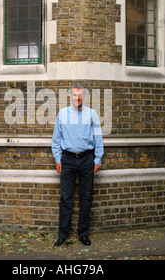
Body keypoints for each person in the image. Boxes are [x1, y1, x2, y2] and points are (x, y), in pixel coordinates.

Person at [51, 83, 104, 246]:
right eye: (74, 95)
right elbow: (56, 139)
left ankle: (83, 233)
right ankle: (63, 234)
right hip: (67, 159)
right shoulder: (62, 114)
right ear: (70, 96)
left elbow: (98, 138)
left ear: (84, 97)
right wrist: (58, 159)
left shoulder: (92, 114)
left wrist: (98, 159)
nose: (77, 98)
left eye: (80, 95)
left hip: (87, 159)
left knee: (86, 197)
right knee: (66, 198)